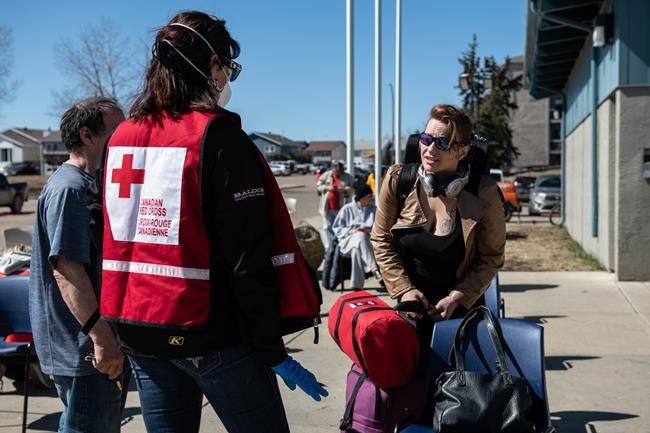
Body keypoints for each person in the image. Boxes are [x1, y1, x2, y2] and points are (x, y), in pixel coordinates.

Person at [99, 12, 326, 433]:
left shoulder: (122, 137)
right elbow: (248, 257)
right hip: (211, 334)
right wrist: (272, 349)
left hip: (139, 332)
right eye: (228, 67)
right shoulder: (216, 136)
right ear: (209, 65)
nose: (227, 79)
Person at [29, 97, 126, 433]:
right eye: (116, 130)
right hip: (84, 348)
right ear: (87, 135)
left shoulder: (87, 184)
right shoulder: (70, 190)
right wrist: (102, 338)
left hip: (87, 344)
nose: (124, 136)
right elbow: (67, 271)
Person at [370, 104, 505, 338]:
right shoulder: (398, 180)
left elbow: (491, 256)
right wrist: (404, 290)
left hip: (462, 312)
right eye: (426, 139)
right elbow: (381, 240)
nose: (429, 149)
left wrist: (458, 297)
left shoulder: (484, 193)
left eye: (442, 143)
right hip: (410, 309)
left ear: (462, 151)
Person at [332, 184, 381, 291]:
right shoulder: (347, 209)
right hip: (347, 240)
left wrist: (368, 231)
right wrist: (353, 231)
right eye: (370, 196)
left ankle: (356, 286)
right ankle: (374, 268)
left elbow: (380, 228)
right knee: (359, 235)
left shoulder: (374, 209)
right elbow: (337, 228)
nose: (372, 198)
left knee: (356, 250)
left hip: (368, 241)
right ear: (361, 197)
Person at [317, 160, 354, 247]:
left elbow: (353, 189)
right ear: (332, 169)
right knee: (327, 227)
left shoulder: (348, 177)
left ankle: (340, 245)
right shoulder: (326, 175)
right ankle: (330, 246)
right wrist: (327, 187)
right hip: (328, 207)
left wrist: (344, 189)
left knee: (340, 227)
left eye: (339, 170)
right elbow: (318, 186)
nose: (337, 172)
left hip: (341, 207)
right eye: (335, 169)